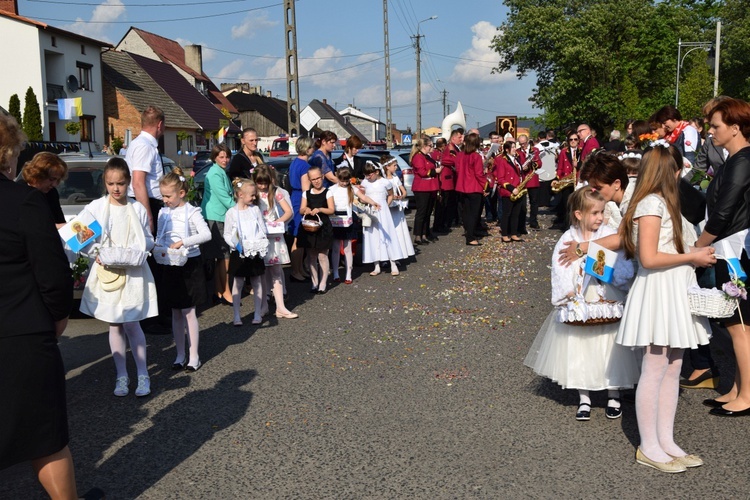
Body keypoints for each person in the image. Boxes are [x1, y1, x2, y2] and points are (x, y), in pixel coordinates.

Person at [616, 144, 714, 472]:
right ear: (671, 171)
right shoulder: (651, 203)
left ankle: (666, 440)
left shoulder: (663, 202)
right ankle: (648, 445)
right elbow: (649, 257)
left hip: (673, 289)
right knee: (656, 366)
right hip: (659, 289)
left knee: (673, 367)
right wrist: (693, 257)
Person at [0, 114, 78, 498]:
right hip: (22, 335)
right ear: (7, 154)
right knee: (45, 438)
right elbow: (53, 273)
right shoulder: (24, 201)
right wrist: (59, 317)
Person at [524, 187, 639, 421]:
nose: (600, 218)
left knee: (610, 347)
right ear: (579, 214)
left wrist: (601, 265)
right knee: (580, 348)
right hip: (580, 300)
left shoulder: (608, 233)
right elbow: (560, 266)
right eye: (595, 213)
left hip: (606, 295)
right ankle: (584, 396)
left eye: (602, 212)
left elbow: (624, 263)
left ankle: (613, 393)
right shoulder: (569, 238)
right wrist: (570, 287)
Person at [80, 158, 158, 397]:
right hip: (108, 272)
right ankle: (121, 375)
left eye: (121, 183)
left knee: (133, 322)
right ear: (104, 182)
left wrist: (142, 249)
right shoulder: (96, 207)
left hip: (133, 272)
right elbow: (79, 237)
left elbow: (148, 239)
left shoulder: (136, 209)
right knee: (114, 323)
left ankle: (143, 375)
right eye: (111, 183)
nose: (116, 188)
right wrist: (95, 254)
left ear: (128, 184)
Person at [694, 97, 750, 416]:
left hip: (736, 252)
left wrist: (699, 246)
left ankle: (747, 396)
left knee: (739, 324)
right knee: (735, 322)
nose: (710, 131)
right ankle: (738, 388)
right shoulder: (734, 158)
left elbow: (724, 211)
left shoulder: (743, 160)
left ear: (735, 127)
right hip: (732, 248)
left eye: (715, 126)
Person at [155, 169, 211, 371]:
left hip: (189, 265)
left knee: (189, 311)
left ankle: (194, 355)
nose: (165, 200)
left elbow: (206, 235)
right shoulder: (163, 212)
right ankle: (179, 354)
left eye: (168, 196)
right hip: (170, 263)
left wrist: (183, 242)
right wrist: (158, 245)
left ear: (181, 193)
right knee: (175, 312)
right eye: (162, 195)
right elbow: (161, 235)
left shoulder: (192, 211)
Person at [125, 106, 169, 333]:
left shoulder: (142, 144)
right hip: (146, 203)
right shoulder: (144, 146)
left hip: (149, 202)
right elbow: (139, 181)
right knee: (153, 264)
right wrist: (148, 214)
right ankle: (151, 319)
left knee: (155, 262)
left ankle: (157, 315)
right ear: (159, 124)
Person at [253, 165, 298, 317]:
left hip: (273, 236)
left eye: (265, 183)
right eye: (260, 183)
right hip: (259, 237)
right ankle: (264, 305)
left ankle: (280, 307)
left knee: (276, 271)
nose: (263, 186)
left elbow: (289, 212)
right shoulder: (252, 193)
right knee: (261, 272)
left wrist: (277, 222)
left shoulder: (275, 191)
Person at [223, 178, 268, 326]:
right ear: (240, 195)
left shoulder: (255, 210)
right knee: (238, 282)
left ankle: (257, 312)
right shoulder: (231, 213)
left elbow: (263, 228)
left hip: (254, 250)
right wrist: (235, 245)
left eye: (255, 195)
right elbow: (227, 234)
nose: (254, 198)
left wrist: (259, 241)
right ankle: (236, 315)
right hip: (239, 251)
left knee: (256, 281)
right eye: (252, 195)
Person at [328, 166, 379, 284]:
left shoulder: (351, 188)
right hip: (335, 221)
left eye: (346, 180)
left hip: (348, 222)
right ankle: (335, 272)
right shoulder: (331, 189)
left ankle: (348, 274)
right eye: (342, 180)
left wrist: (373, 202)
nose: (344, 183)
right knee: (335, 248)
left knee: (348, 248)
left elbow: (363, 197)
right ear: (337, 177)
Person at [200, 144, 236, 306]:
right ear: (215, 157)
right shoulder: (215, 174)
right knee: (224, 255)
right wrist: (240, 210)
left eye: (227, 156)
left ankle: (218, 290)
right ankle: (225, 291)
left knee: (221, 256)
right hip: (216, 216)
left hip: (219, 215)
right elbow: (224, 197)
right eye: (221, 157)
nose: (225, 160)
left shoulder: (220, 171)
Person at [360, 161, 405, 275]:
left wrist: (386, 205)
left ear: (377, 172)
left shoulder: (385, 182)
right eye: (366, 175)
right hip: (371, 211)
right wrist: (364, 202)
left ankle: (393, 263)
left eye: (370, 174)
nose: (368, 177)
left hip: (383, 211)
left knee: (388, 234)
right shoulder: (365, 182)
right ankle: (376, 265)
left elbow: (390, 195)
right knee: (372, 236)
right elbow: (362, 196)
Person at [298, 165, 335, 290]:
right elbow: (301, 210)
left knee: (322, 255)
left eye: (318, 178)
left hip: (323, 227)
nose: (317, 181)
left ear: (323, 177)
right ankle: (314, 281)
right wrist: (306, 209)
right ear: (310, 180)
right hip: (310, 227)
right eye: (313, 179)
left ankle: (323, 282)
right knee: (312, 255)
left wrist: (320, 209)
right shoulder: (306, 193)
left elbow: (331, 209)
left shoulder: (328, 192)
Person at [18, 151, 68, 228]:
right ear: (37, 174)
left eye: (58, 180)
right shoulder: (18, 192)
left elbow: (60, 220)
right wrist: (55, 227)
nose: (54, 184)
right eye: (51, 179)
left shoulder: (52, 193)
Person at [287, 137, 313, 282]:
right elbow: (305, 189)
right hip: (300, 200)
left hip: (295, 197)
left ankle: (300, 269)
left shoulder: (295, 163)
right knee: (298, 238)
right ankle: (295, 271)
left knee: (299, 238)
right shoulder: (304, 166)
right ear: (307, 149)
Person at [455, 132, 487, 247]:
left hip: (462, 186)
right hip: (474, 187)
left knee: (466, 213)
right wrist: (486, 185)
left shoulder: (460, 155)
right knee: (474, 213)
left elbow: (458, 170)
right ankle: (471, 237)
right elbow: (479, 174)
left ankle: (469, 233)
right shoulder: (476, 156)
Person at [410, 135, 441, 245]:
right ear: (423, 146)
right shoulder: (418, 157)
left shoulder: (427, 156)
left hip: (431, 187)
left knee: (428, 212)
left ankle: (425, 233)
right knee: (421, 212)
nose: (431, 148)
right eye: (430, 146)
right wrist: (435, 171)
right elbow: (422, 172)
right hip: (421, 187)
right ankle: (418, 235)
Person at [382, 154, 415, 260]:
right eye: (394, 165)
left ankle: (398, 255)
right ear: (387, 166)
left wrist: (401, 196)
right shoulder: (383, 179)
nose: (396, 168)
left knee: (398, 231)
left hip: (397, 208)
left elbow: (404, 191)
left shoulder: (395, 177)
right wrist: (392, 197)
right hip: (388, 208)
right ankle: (387, 256)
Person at [494, 141, 525, 243]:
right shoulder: (503, 161)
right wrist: (512, 188)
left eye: (515, 147)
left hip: (518, 188)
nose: (514, 149)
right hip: (508, 191)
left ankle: (514, 233)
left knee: (516, 213)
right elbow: (501, 178)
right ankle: (505, 234)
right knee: (507, 213)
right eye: (512, 147)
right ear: (507, 149)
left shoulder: (516, 159)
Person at [552, 133, 580, 228]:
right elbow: (560, 167)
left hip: (578, 181)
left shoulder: (581, 151)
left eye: (575, 139)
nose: (573, 141)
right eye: (571, 139)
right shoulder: (564, 151)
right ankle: (568, 225)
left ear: (578, 140)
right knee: (566, 204)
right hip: (567, 180)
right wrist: (557, 179)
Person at [438, 128, 462, 229]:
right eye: (459, 137)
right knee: (446, 203)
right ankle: (445, 222)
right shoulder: (448, 148)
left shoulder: (455, 148)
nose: (461, 139)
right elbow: (444, 160)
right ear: (453, 138)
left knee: (452, 202)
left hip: (453, 180)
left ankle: (451, 220)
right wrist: (456, 161)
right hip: (447, 179)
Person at [517, 133, 541, 230]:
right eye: (521, 143)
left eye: (524, 143)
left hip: (532, 178)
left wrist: (532, 164)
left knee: (534, 202)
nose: (523, 145)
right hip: (522, 179)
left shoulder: (535, 150)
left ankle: (533, 221)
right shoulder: (517, 152)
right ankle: (521, 221)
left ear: (528, 141)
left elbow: (539, 163)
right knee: (522, 203)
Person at [431, 137, 451, 234]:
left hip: (445, 182)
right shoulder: (435, 154)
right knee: (440, 206)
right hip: (440, 182)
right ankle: (438, 225)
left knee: (445, 205)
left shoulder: (442, 153)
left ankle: (442, 224)